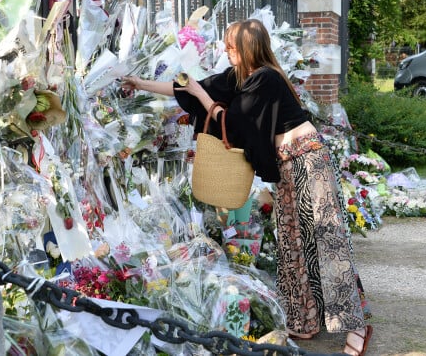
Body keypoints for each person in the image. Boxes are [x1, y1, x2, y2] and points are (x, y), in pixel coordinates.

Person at [122, 18, 373, 356]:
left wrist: (200, 94)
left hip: (308, 159)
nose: (226, 53)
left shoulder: (265, 78)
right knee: (291, 241)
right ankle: (306, 319)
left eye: (231, 48)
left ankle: (357, 324)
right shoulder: (238, 77)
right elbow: (188, 87)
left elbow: (235, 122)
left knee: (326, 239)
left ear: (248, 48)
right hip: (285, 165)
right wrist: (139, 83)